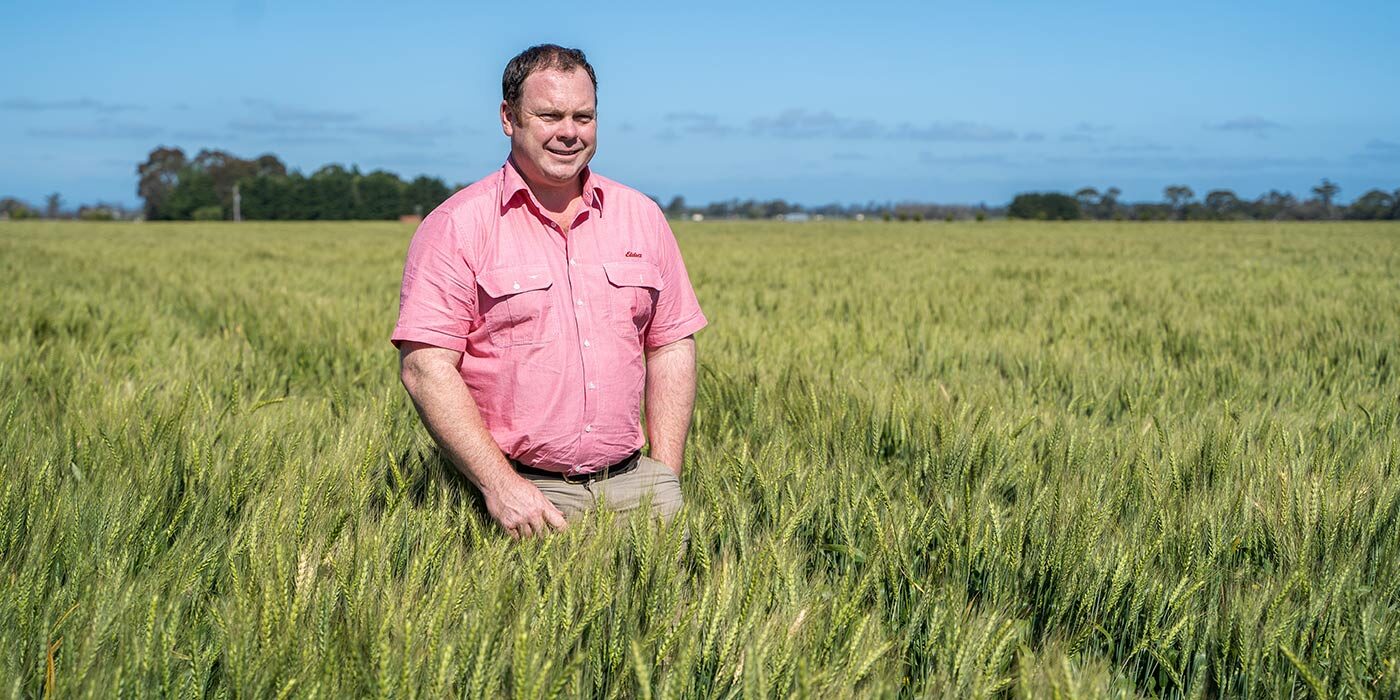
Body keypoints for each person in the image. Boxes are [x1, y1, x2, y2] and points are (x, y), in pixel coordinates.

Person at [391, 44, 707, 539]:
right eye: (549, 115)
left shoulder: (641, 216)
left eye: (583, 116)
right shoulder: (456, 225)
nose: (569, 132)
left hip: (637, 488)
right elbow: (425, 366)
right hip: (522, 497)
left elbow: (670, 345)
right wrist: (499, 486)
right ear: (508, 117)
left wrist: (665, 474)